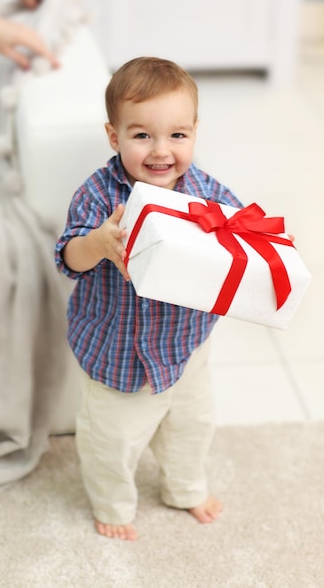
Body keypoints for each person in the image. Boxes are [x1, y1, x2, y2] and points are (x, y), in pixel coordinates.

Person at [54, 57, 244, 541]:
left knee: (192, 426)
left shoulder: (207, 193)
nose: (161, 151)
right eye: (142, 136)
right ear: (114, 137)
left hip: (185, 346)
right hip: (116, 356)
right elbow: (67, 258)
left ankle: (185, 486)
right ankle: (113, 504)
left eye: (177, 135)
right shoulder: (98, 196)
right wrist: (96, 244)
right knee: (110, 441)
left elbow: (240, 240)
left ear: (194, 133)